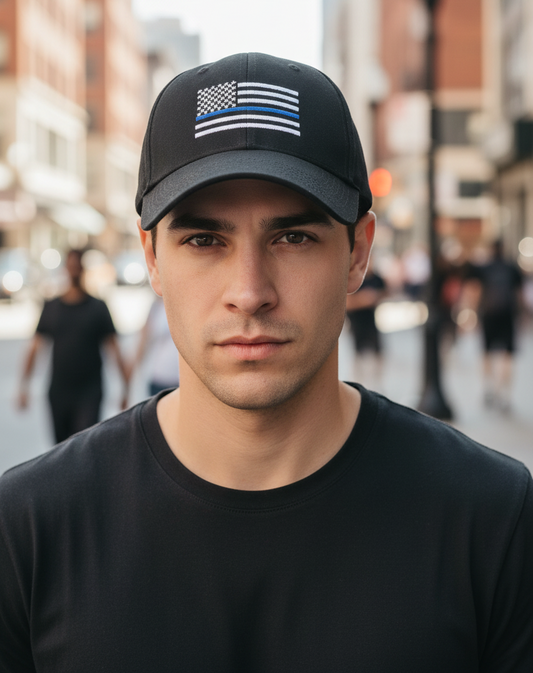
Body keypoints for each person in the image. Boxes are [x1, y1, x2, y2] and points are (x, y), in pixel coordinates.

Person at [1, 53, 532, 671]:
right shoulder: (31, 529)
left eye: (294, 237)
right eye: (204, 240)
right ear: (151, 257)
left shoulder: (491, 518)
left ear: (358, 252)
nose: (250, 291)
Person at [17, 248, 129, 443]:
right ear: (65, 269)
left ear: (84, 269)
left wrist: (125, 387)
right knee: (60, 450)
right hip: (59, 392)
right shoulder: (52, 307)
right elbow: (35, 348)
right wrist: (23, 386)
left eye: (78, 266)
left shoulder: (98, 307)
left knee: (84, 446)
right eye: (71, 266)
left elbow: (114, 349)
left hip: (90, 391)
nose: (74, 270)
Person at [468, 240, 523, 412]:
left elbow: (475, 292)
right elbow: (519, 295)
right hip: (507, 315)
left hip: (489, 315)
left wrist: (473, 313)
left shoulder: (484, 268)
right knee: (507, 355)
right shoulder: (512, 267)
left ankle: (488, 388)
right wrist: (521, 316)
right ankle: (504, 394)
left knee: (486, 353)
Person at [346, 261, 386, 388]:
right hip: (356, 323)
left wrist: (375, 297)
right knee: (358, 355)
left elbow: (386, 291)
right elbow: (346, 303)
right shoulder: (351, 279)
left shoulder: (376, 278)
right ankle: (357, 383)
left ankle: (377, 384)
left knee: (377, 354)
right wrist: (364, 299)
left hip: (371, 322)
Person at [132, 296, 180, 396]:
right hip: (159, 378)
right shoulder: (156, 306)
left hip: (181, 380)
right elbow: (142, 342)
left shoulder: (185, 304)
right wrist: (128, 383)